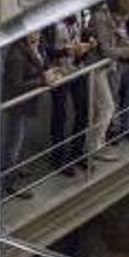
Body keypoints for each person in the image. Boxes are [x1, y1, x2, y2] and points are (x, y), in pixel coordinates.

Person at [3, 31, 59, 199]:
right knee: (13, 141)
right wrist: (43, 81)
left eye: (39, 31)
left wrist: (52, 72)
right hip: (17, 103)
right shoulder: (16, 56)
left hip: (28, 102)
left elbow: (44, 64)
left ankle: (15, 168)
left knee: (19, 139)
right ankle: (9, 183)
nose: (38, 34)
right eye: (34, 32)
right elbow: (16, 84)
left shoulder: (38, 45)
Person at [47, 14, 95, 176]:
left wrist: (87, 47)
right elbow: (46, 51)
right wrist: (65, 51)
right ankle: (57, 158)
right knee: (60, 115)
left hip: (77, 69)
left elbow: (79, 42)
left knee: (83, 110)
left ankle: (77, 151)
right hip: (59, 73)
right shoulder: (52, 23)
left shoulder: (79, 18)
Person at [95, 0, 129, 145]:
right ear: (114, 12)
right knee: (109, 100)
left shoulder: (119, 19)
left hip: (117, 62)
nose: (125, 20)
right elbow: (106, 50)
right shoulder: (101, 19)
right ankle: (110, 132)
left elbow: (123, 36)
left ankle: (127, 127)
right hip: (100, 66)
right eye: (123, 17)